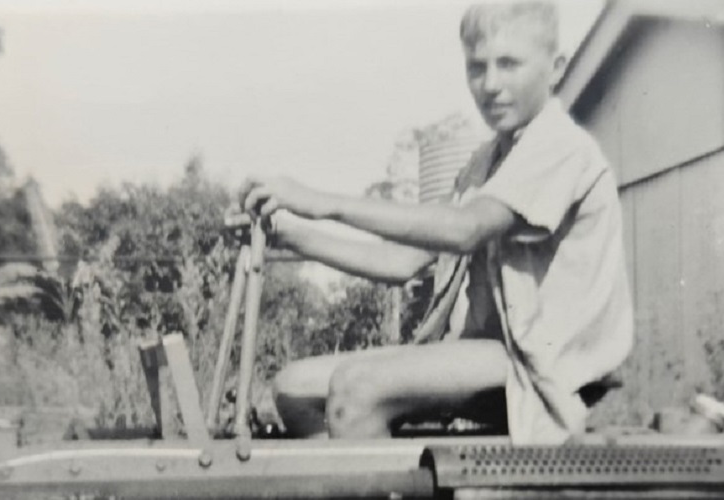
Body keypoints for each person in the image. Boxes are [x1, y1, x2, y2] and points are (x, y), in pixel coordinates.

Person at [239, 0, 633, 444]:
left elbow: (467, 229)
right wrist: (290, 235)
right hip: (488, 362)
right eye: (477, 68)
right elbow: (402, 261)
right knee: (294, 388)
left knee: (358, 388)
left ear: (555, 68)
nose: (491, 85)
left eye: (509, 65)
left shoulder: (559, 146)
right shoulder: (487, 162)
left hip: (546, 371)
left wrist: (322, 201)